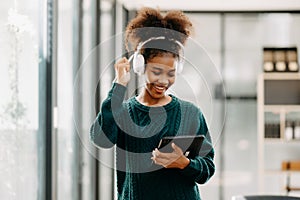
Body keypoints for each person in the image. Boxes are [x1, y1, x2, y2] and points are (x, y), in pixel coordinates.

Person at [90, 7, 215, 200]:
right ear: (140, 66)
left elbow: (208, 168)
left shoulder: (191, 113)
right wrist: (118, 87)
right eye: (157, 72)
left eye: (171, 73)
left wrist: (184, 163)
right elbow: (100, 139)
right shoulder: (122, 112)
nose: (163, 81)